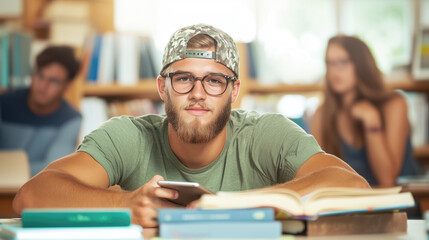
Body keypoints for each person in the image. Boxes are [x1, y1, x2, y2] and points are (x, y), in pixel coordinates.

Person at [13, 24, 369, 227]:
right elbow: (31, 195)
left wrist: (239, 204)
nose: (198, 93)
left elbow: (352, 184)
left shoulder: (267, 133)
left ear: (235, 92)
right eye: (183, 78)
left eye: (214, 81)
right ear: (162, 87)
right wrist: (129, 204)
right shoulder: (127, 135)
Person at [311, 35, 417, 188]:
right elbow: (318, 175)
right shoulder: (322, 113)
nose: (335, 71)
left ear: (361, 65)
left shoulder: (394, 104)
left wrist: (372, 123)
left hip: (394, 205)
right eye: (329, 63)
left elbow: (387, 180)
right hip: (347, 205)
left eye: (343, 62)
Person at [0, 46, 82, 176]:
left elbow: (54, 170)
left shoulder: (71, 119)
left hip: (38, 192)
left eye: (54, 81)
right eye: (40, 75)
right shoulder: (4, 104)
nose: (43, 86)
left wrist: (7, 168)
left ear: (68, 86)